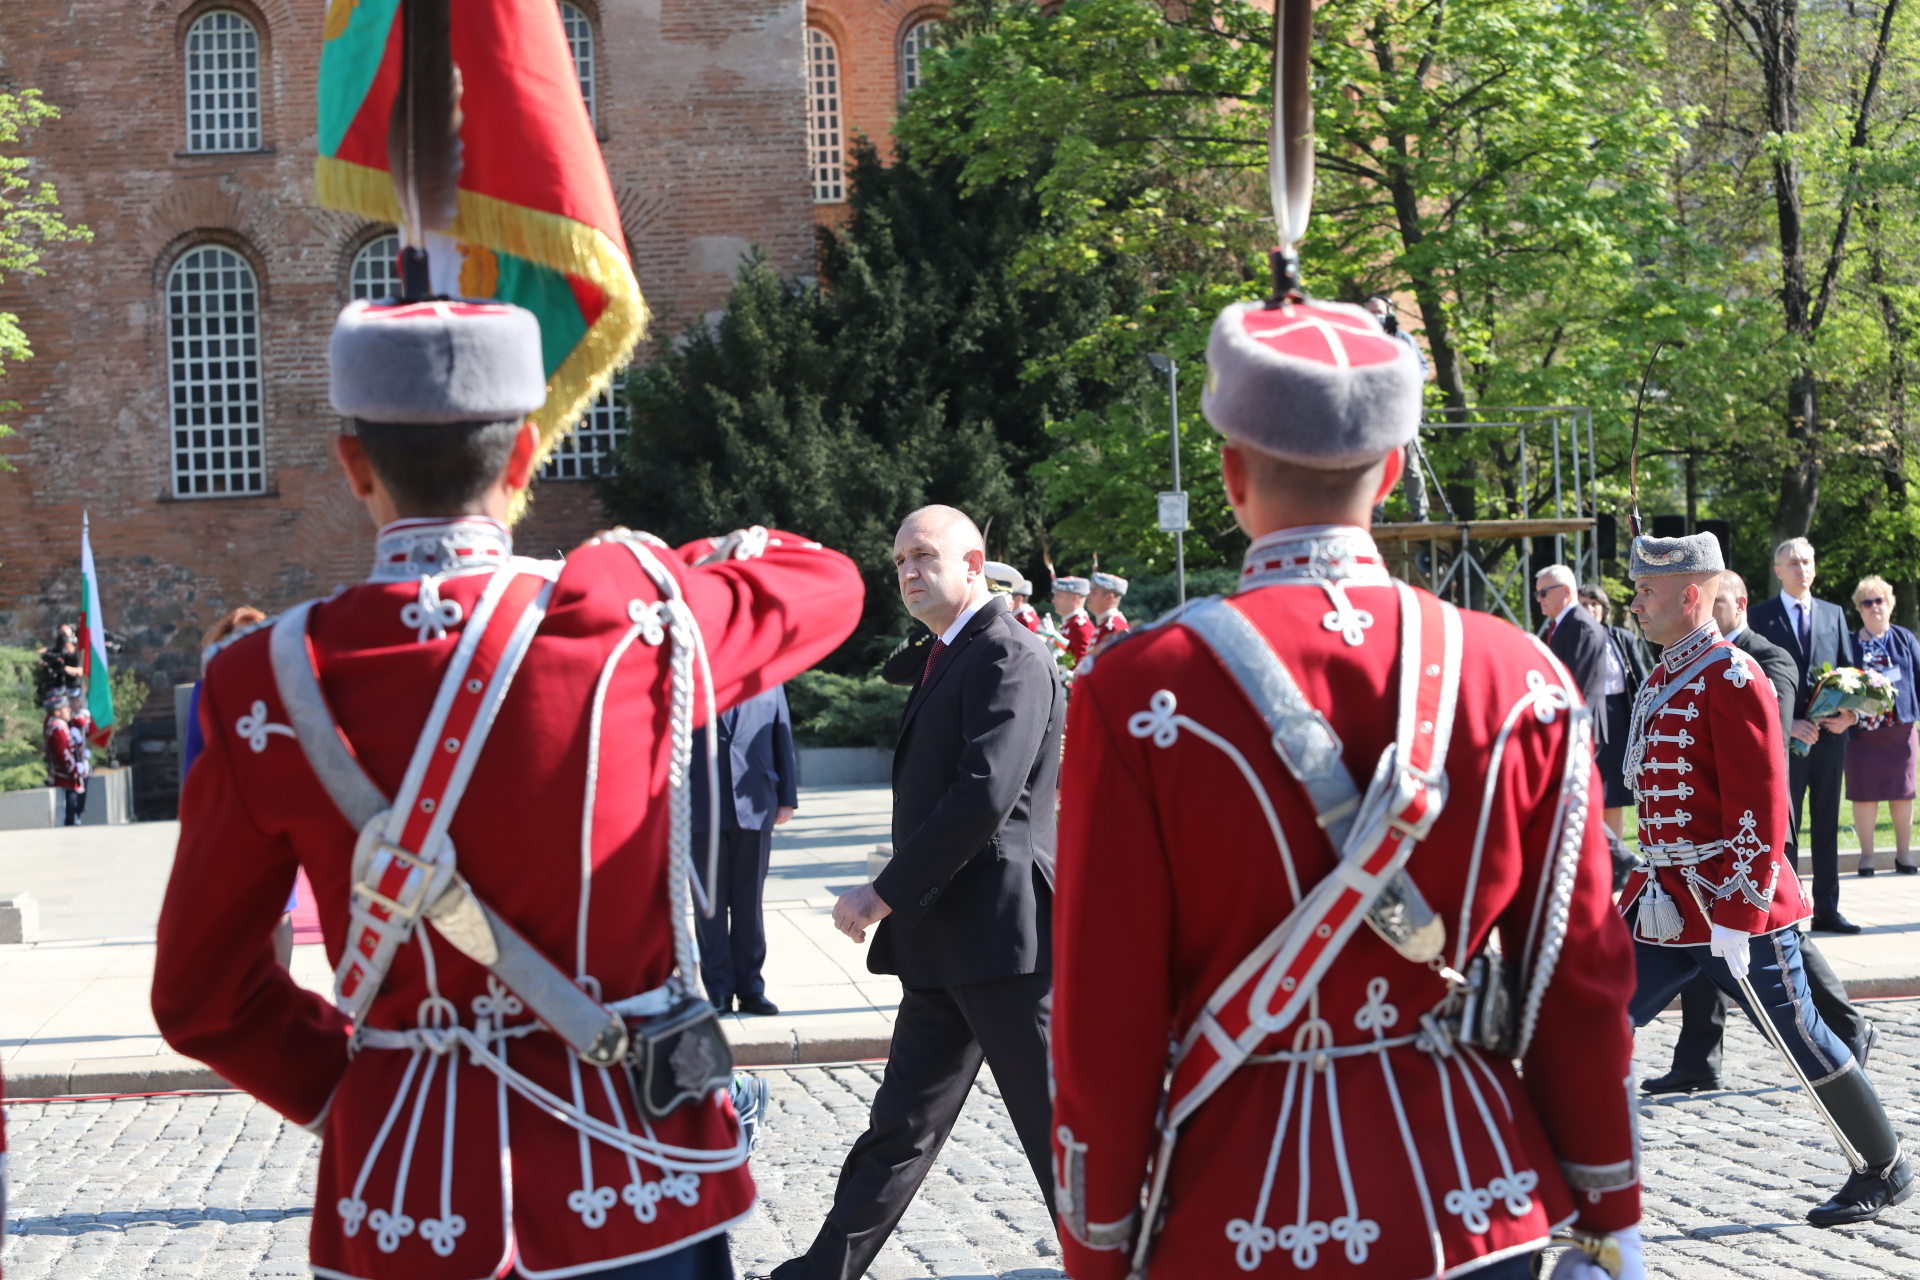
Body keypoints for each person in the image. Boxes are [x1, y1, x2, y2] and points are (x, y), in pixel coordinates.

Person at [151, 294, 864, 1280]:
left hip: (404, 1198)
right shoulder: (628, 623)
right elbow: (825, 583)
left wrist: (367, 1089)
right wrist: (651, 565)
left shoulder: (263, 678)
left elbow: (201, 995)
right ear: (526, 459)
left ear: (353, 465)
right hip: (632, 1190)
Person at [1050, 295, 1642, 1280]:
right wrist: (1611, 1208)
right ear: (1397, 468)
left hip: (1236, 1220)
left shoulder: (1137, 687)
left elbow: (1100, 1018)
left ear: (1232, 472)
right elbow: (1579, 978)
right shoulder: (1521, 674)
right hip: (1482, 1206)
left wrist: (1097, 1242)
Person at [773, 505, 1065, 1280]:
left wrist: (884, 892)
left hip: (1005, 943)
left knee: (1057, 1127)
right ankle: (820, 1272)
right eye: (899, 558)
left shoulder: (1010, 653)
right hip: (947, 943)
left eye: (924, 556)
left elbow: (984, 794)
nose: (906, 571)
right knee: (900, 1126)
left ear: (975, 565)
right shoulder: (950, 652)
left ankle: (1127, 1261)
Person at [1621, 533, 1910, 1224]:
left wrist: (1737, 916)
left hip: (1731, 902)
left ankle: (1885, 1166)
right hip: (1667, 904)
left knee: (1801, 1035)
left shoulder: (1733, 675)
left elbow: (1758, 804)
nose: (1635, 605)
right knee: (1590, 1020)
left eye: (1646, 593)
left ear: (1692, 595)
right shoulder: (1665, 675)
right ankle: (1569, 1182)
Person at [1642, 570, 1873, 1094]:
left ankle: (1848, 1029)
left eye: (1720, 600)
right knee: (1701, 956)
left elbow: (1768, 745)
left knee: (1783, 968)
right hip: (1687, 871)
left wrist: (1740, 902)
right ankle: (1700, 1055)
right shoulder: (1674, 671)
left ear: (1733, 602)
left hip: (1751, 838)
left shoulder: (1756, 661)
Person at [1748, 537, 1861, 932]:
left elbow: (1851, 672)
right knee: (1785, 830)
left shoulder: (1833, 613)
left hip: (1830, 740)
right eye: (1793, 562)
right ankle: (1788, 914)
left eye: (1808, 561)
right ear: (1778, 570)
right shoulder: (1761, 616)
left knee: (1827, 823)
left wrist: (1850, 715)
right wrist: (1787, 723)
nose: (1802, 568)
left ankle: (1828, 909)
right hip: (1785, 743)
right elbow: (1756, 679)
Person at [691, 684, 798, 1016]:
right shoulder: (690, 673)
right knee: (709, 905)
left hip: (755, 800)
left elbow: (782, 736)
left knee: (749, 903)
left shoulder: (770, 677)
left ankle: (752, 988)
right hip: (699, 802)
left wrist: (787, 797)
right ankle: (718, 990)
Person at [1846, 575, 1920, 875]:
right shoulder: (1851, 643)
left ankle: (1904, 855)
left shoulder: (1905, 639)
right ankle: (1867, 857)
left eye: (1880, 601)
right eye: (1867, 602)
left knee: (1903, 793)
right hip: (1863, 735)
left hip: (1900, 731)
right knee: (1864, 795)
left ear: (1890, 604)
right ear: (1859, 609)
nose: (1875, 607)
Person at [1580, 582, 1650, 837]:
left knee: (1614, 789)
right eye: (1584, 604)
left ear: (1604, 608)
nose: (1589, 608)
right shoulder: (1574, 638)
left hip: (1618, 715)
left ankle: (1617, 852)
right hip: (1587, 718)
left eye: (1594, 603)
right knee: (1589, 786)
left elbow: (1641, 677)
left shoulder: (1621, 637)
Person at [1363, 292, 1431, 522]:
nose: (1376, 318)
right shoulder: (1362, 338)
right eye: (1371, 313)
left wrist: (1408, 381)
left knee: (1411, 466)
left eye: (1379, 313)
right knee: (1377, 466)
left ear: (1389, 313)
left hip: (1403, 413)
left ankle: (1420, 514)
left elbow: (1423, 367)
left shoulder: (1403, 339)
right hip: (1374, 415)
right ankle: (1375, 514)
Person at [42, 692, 85, 826]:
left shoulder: (62, 726)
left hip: (68, 774)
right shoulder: (57, 728)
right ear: (57, 712)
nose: (69, 710)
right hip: (64, 774)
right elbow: (62, 752)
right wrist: (73, 768)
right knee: (69, 802)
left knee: (74, 800)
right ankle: (70, 822)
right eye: (65, 708)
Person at [1083, 570, 1129, 660]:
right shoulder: (1106, 625)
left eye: (1094, 592)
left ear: (1109, 598)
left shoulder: (1113, 627)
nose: (1088, 596)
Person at [1052, 573, 1097, 665]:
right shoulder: (1071, 623)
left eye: (1058, 596)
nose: (1053, 600)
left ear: (1074, 598)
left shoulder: (1082, 627)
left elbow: (1084, 666)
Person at [34, 624, 83, 704]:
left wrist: (64, 668)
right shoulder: (56, 651)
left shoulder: (76, 654)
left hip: (72, 689)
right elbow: (36, 654)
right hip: (55, 688)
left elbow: (79, 672)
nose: (65, 648)